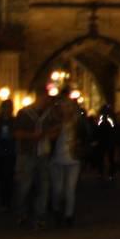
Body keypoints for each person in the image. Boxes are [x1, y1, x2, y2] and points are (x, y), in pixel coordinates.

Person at [12, 95, 53, 229]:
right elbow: (17, 133)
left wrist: (48, 135)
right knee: (25, 185)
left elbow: (56, 129)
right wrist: (33, 136)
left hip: (43, 154)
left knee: (43, 185)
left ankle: (39, 215)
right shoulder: (24, 113)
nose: (46, 101)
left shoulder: (49, 114)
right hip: (27, 154)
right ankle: (21, 213)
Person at [48, 97, 86, 227]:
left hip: (73, 158)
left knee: (70, 189)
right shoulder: (55, 121)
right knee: (58, 189)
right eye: (63, 107)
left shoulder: (77, 122)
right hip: (57, 158)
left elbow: (85, 135)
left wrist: (79, 142)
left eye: (67, 107)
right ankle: (57, 209)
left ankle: (69, 215)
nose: (65, 110)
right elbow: (48, 137)